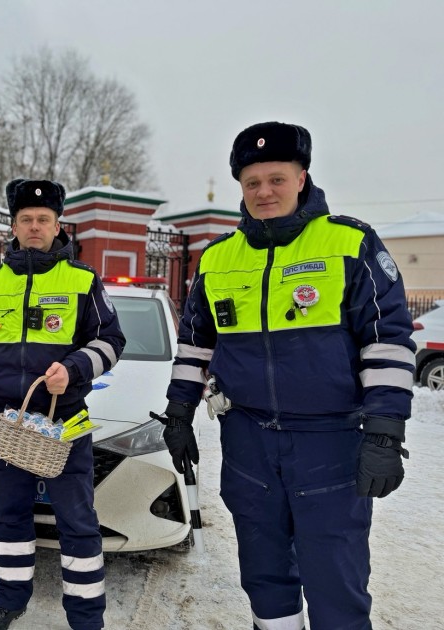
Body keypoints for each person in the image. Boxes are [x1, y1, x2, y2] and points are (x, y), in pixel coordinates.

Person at [161, 122, 415, 630]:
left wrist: (385, 431)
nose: (264, 192)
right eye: (252, 182)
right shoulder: (217, 258)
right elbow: (195, 344)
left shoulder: (350, 243)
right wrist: (179, 411)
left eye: (276, 179)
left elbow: (386, 341)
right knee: (264, 572)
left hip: (329, 441)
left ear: (302, 178)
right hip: (247, 441)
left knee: (335, 575)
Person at [0, 178, 126, 630]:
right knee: (9, 516)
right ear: (13, 226)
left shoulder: (83, 279)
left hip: (66, 419)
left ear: (57, 225)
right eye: (26, 219)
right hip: (6, 420)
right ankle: (9, 600)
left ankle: (86, 616)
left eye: (43, 219)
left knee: (77, 519)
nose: (34, 226)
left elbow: (111, 341)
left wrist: (75, 367)